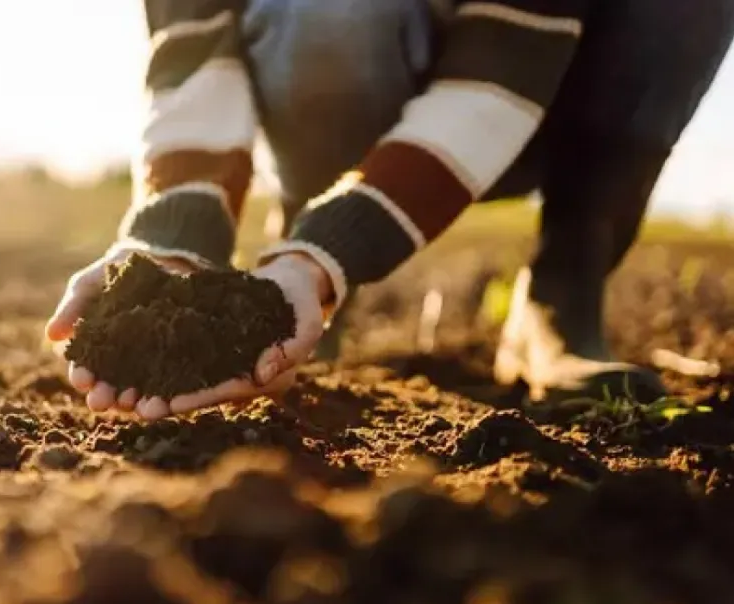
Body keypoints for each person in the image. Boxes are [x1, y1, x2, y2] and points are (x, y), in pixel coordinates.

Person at [45, 0, 734, 421]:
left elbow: (506, 65)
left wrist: (338, 243)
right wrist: (174, 236)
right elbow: (191, 51)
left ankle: (563, 294)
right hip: (339, 73)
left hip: (530, 99)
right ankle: (299, 236)